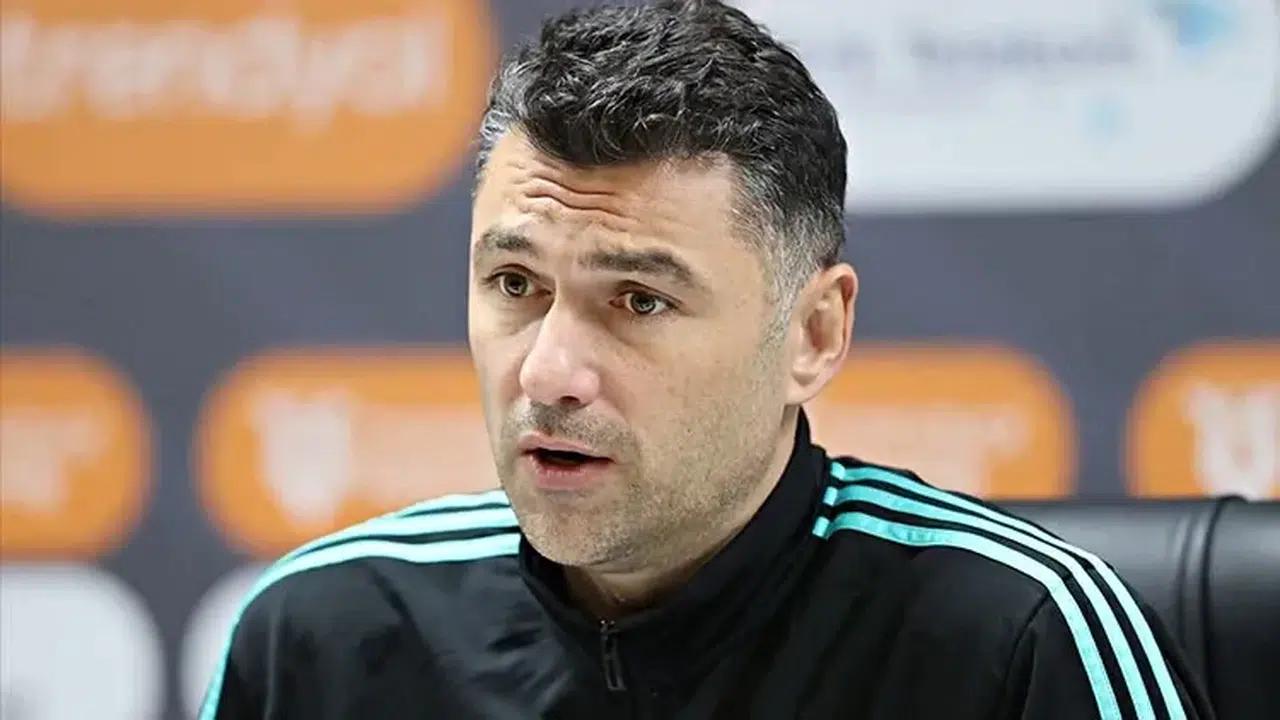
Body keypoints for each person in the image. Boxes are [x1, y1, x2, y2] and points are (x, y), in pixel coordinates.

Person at [200, 1, 1216, 718]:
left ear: (813, 335)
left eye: (639, 300)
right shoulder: (320, 635)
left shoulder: (1024, 639)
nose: (547, 372)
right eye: (514, 284)